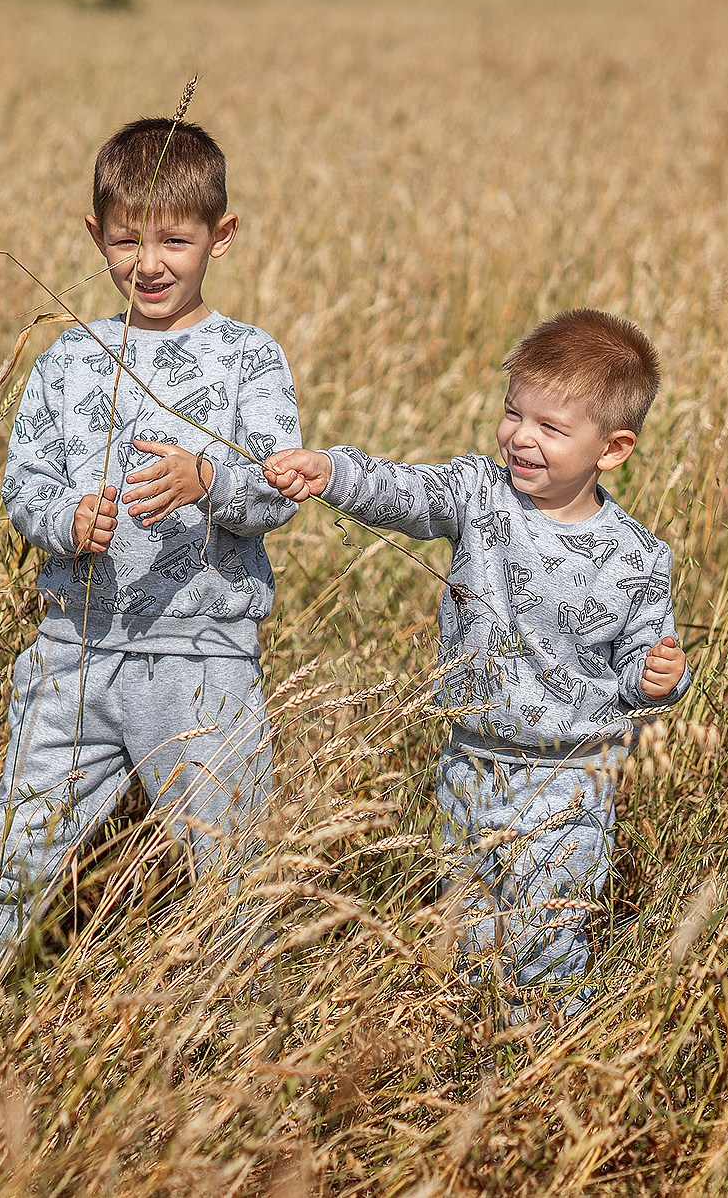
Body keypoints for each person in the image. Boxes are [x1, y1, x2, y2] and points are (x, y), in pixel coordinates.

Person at [0, 117, 301, 1052]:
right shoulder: (68, 358)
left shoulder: (250, 358)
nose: (148, 262)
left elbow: (278, 491)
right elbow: (21, 484)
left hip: (203, 667)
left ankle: (245, 1053)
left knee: (231, 866)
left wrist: (212, 482)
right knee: (10, 846)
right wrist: (61, 518)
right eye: (126, 239)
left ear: (221, 236)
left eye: (174, 239)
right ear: (94, 236)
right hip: (73, 655)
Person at [262, 309, 688, 1026]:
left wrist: (659, 676)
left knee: (544, 939)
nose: (521, 436)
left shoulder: (638, 557)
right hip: (470, 762)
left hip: (571, 778)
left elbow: (644, 666)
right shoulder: (478, 495)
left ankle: (550, 1059)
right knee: (471, 935)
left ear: (612, 449)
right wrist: (332, 471)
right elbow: (403, 492)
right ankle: (473, 1053)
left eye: (551, 428)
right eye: (512, 413)